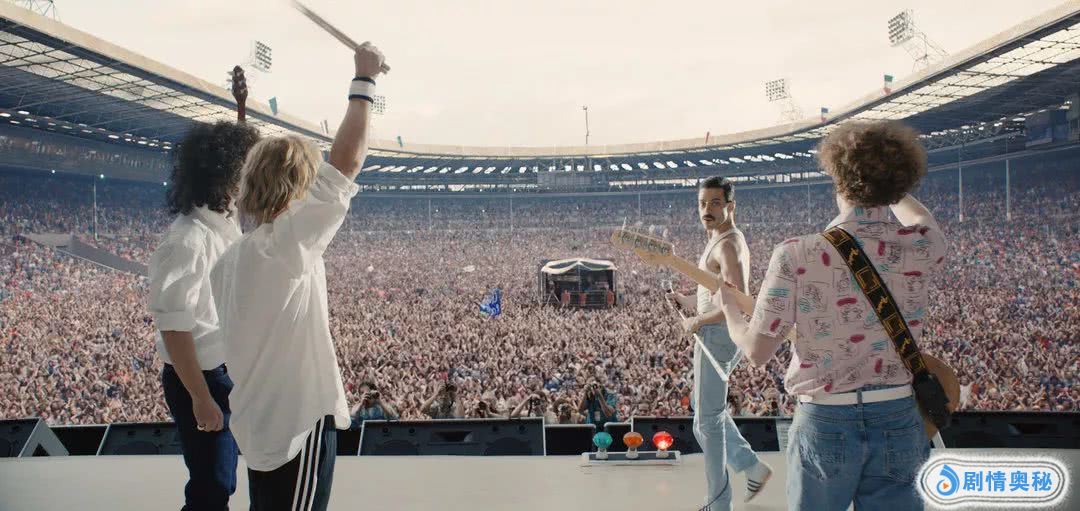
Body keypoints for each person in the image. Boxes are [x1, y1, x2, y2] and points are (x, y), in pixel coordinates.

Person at [715, 121, 945, 511]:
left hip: (825, 418)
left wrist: (730, 311)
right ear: (897, 185)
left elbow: (756, 351)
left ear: (838, 180)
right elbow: (923, 219)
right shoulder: (920, 245)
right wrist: (887, 185)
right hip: (899, 415)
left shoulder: (796, 253)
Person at [210, 43, 387, 511]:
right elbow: (345, 166)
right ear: (297, 187)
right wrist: (364, 80)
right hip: (296, 429)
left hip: (259, 424)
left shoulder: (231, 260)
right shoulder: (283, 249)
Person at [147, 72, 258, 511]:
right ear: (222, 179)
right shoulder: (186, 242)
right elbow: (174, 330)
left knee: (225, 477)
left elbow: (240, 156)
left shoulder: (221, 215)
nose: (248, 184)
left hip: (224, 370)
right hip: (199, 378)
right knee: (211, 486)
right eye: (242, 176)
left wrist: (241, 110)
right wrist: (201, 400)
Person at [664, 176, 772, 507]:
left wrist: (697, 321)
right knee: (706, 410)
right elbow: (717, 292)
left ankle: (719, 502)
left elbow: (738, 301)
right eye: (702, 203)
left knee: (706, 423)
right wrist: (687, 301)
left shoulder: (726, 245)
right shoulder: (720, 238)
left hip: (718, 335)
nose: (706, 210)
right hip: (719, 333)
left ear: (730, 206)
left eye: (714, 203)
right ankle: (752, 467)